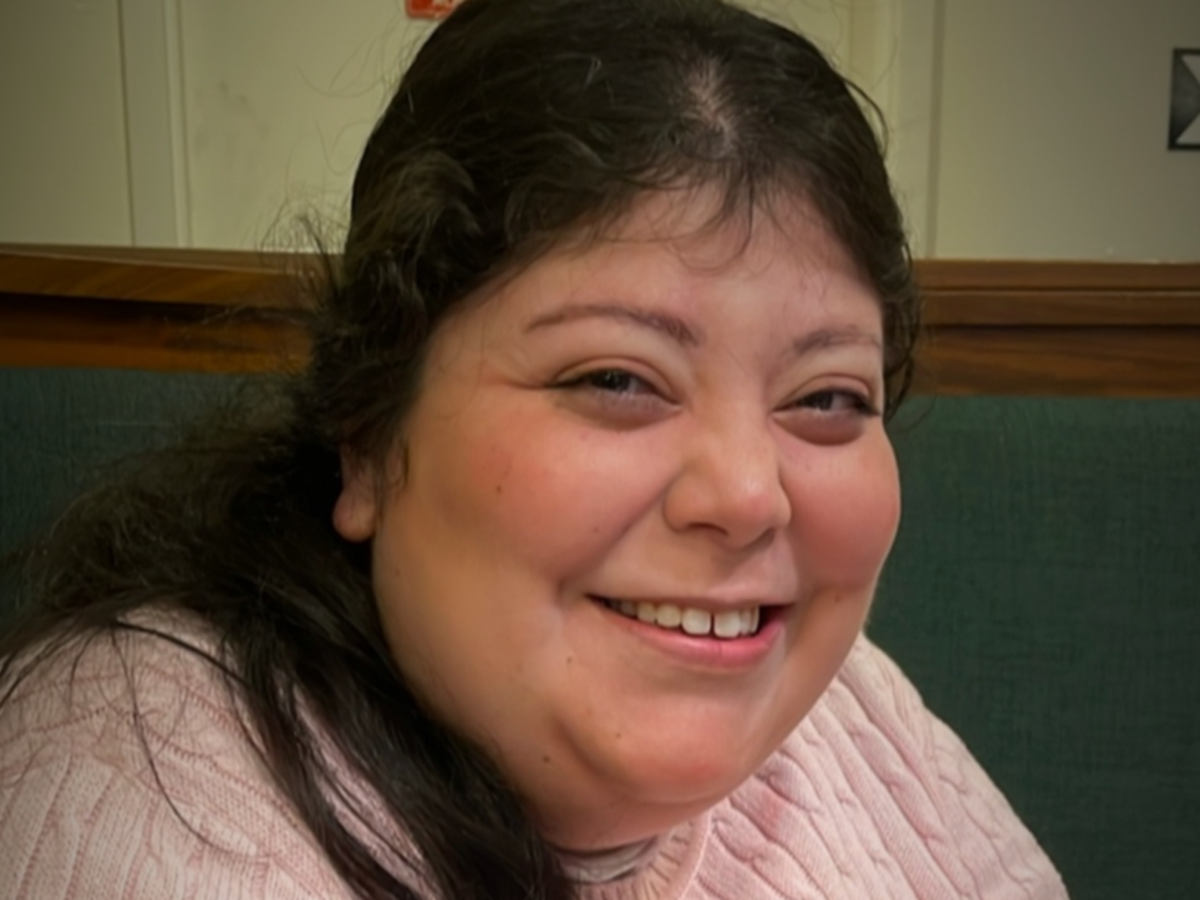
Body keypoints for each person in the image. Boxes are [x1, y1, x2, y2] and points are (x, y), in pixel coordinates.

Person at [0, 0, 1069, 897]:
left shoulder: (851, 706)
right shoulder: (138, 783)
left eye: (828, 397)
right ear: (366, 433)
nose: (750, 495)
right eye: (615, 379)